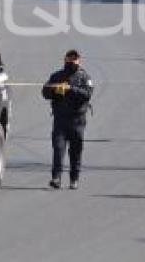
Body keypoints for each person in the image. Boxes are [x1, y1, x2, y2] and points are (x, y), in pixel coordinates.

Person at [41, 50, 93, 190]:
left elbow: (87, 94)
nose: (71, 61)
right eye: (69, 58)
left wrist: (71, 89)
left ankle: (74, 179)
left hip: (77, 120)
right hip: (60, 119)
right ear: (65, 60)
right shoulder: (57, 76)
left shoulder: (84, 77)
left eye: (74, 59)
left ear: (79, 60)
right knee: (58, 149)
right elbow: (45, 92)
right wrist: (55, 90)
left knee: (75, 151)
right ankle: (56, 178)